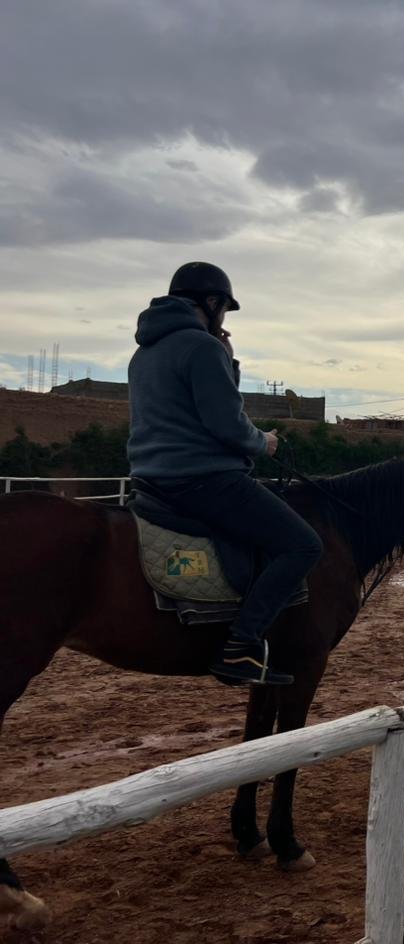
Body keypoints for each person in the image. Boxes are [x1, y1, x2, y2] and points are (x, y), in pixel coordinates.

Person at [127, 262, 322, 686]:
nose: (224, 320)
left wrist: (227, 364)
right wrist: (264, 442)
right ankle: (240, 647)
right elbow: (227, 425)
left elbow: (192, 409)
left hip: (152, 479)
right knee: (303, 544)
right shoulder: (201, 347)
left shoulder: (144, 353)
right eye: (225, 310)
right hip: (205, 479)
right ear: (212, 303)